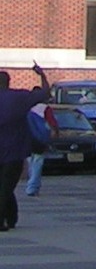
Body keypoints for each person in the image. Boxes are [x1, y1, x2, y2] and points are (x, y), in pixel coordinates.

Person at [0, 64, 52, 231]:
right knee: (6, 186)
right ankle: (8, 218)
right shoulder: (19, 98)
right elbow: (45, 93)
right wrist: (41, 75)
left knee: (4, 187)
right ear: (8, 82)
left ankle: (8, 219)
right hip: (14, 151)